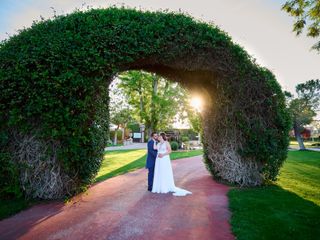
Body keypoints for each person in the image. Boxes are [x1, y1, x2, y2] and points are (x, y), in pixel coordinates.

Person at [152, 132, 192, 196]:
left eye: (159, 136)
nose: (158, 137)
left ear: (162, 137)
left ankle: (165, 186)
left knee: (164, 172)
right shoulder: (158, 143)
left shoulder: (166, 143)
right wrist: (154, 141)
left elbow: (170, 151)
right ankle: (159, 186)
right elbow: (155, 148)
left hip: (164, 159)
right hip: (158, 160)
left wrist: (163, 154)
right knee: (159, 172)